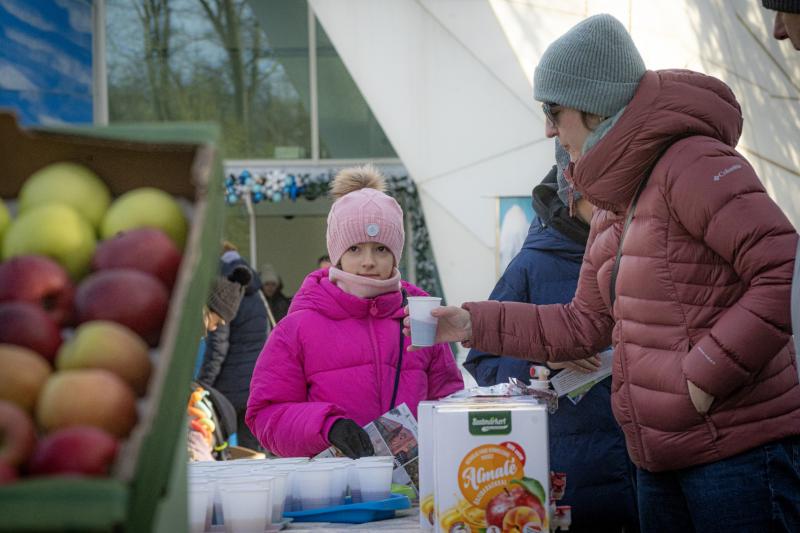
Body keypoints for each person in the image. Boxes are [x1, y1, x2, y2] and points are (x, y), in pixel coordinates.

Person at [409, 14, 800, 532]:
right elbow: (582, 325)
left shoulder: (692, 163)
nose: (548, 127)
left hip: (736, 458)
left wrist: (705, 373)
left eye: (554, 110)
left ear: (593, 106)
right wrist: (471, 323)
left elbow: (783, 269)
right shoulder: (617, 203)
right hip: (659, 462)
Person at [464, 140, 638, 533]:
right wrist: (542, 363)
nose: (613, 206)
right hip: (569, 472)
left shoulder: (640, 252)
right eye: (601, 196)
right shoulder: (530, 266)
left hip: (647, 469)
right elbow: (484, 365)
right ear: (571, 194)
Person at [246, 164, 464, 458]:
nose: (368, 262)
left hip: (415, 490)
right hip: (336, 490)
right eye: (355, 249)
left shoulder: (420, 318)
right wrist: (325, 427)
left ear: (396, 253)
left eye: (381, 249)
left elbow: (448, 401)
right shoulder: (297, 328)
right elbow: (266, 415)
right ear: (336, 254)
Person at [198, 249, 270, 451]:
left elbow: (217, 348)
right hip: (254, 384)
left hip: (227, 385)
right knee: (251, 449)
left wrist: (203, 384)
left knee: (215, 445)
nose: (211, 327)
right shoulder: (257, 296)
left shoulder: (223, 296)